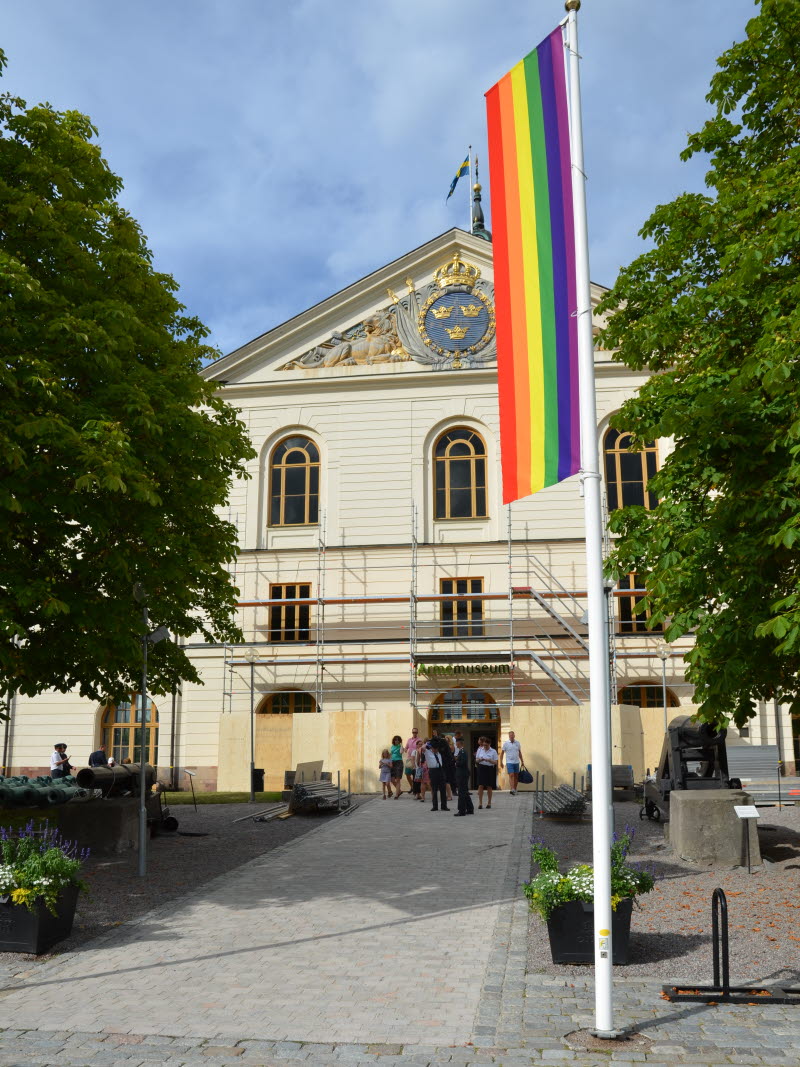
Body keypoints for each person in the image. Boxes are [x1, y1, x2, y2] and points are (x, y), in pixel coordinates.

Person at [423, 739, 449, 812]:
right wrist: (428, 743)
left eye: (437, 748)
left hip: (441, 770)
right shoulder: (427, 752)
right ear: (432, 748)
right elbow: (422, 747)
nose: (436, 750)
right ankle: (435, 806)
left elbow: (446, 746)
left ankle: (444, 806)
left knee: (443, 789)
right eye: (434, 748)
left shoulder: (439, 753)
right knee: (434, 789)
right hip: (433, 771)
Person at [453, 736, 474, 816]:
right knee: (464, 792)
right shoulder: (461, 751)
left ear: (459, 743)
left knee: (461, 793)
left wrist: (456, 762)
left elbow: (462, 762)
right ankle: (470, 809)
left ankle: (461, 810)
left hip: (462, 774)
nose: (456, 744)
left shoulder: (462, 752)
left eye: (456, 743)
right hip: (462, 774)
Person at [475, 736, 498, 809]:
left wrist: (489, 760)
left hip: (489, 768)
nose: (484, 746)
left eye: (486, 745)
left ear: (489, 744)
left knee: (489, 786)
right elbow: (476, 760)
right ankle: (480, 803)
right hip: (481, 767)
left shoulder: (493, 751)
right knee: (480, 785)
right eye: (484, 745)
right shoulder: (480, 749)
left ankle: (489, 803)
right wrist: (480, 760)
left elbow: (496, 762)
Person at [500, 730, 525, 795]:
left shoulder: (517, 743)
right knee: (511, 775)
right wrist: (501, 762)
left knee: (516, 776)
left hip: (516, 762)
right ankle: (512, 789)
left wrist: (522, 761)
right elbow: (502, 753)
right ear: (509, 736)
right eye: (510, 736)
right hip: (509, 762)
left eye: (512, 735)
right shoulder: (506, 743)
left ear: (514, 736)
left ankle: (515, 789)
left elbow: (519, 752)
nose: (511, 737)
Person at [404, 727, 421, 792]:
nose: (414, 733)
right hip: (409, 759)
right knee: (407, 774)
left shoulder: (419, 740)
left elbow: (420, 747)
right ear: (412, 732)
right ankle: (412, 786)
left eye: (416, 732)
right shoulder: (409, 740)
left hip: (416, 759)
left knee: (415, 775)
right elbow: (406, 747)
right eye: (413, 732)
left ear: (417, 733)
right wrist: (405, 749)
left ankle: (416, 790)